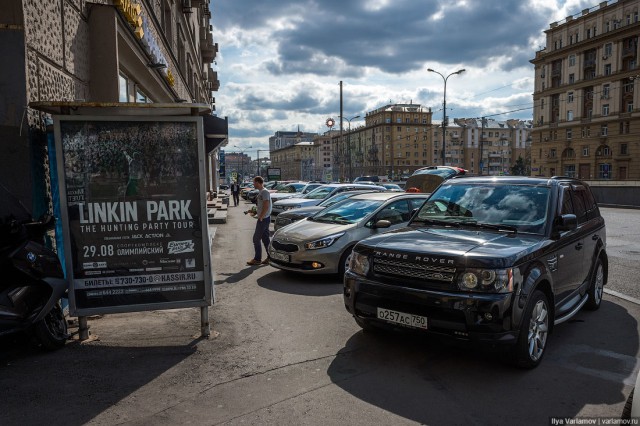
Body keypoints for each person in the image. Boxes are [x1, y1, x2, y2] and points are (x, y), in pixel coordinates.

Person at [247, 176, 272, 266]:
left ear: (258, 182)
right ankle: (270, 258)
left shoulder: (264, 192)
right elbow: (261, 206)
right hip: (264, 218)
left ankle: (257, 259)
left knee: (256, 239)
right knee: (265, 239)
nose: (253, 184)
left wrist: (261, 216)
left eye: (254, 182)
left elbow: (266, 205)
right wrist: (254, 211)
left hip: (263, 219)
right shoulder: (262, 192)